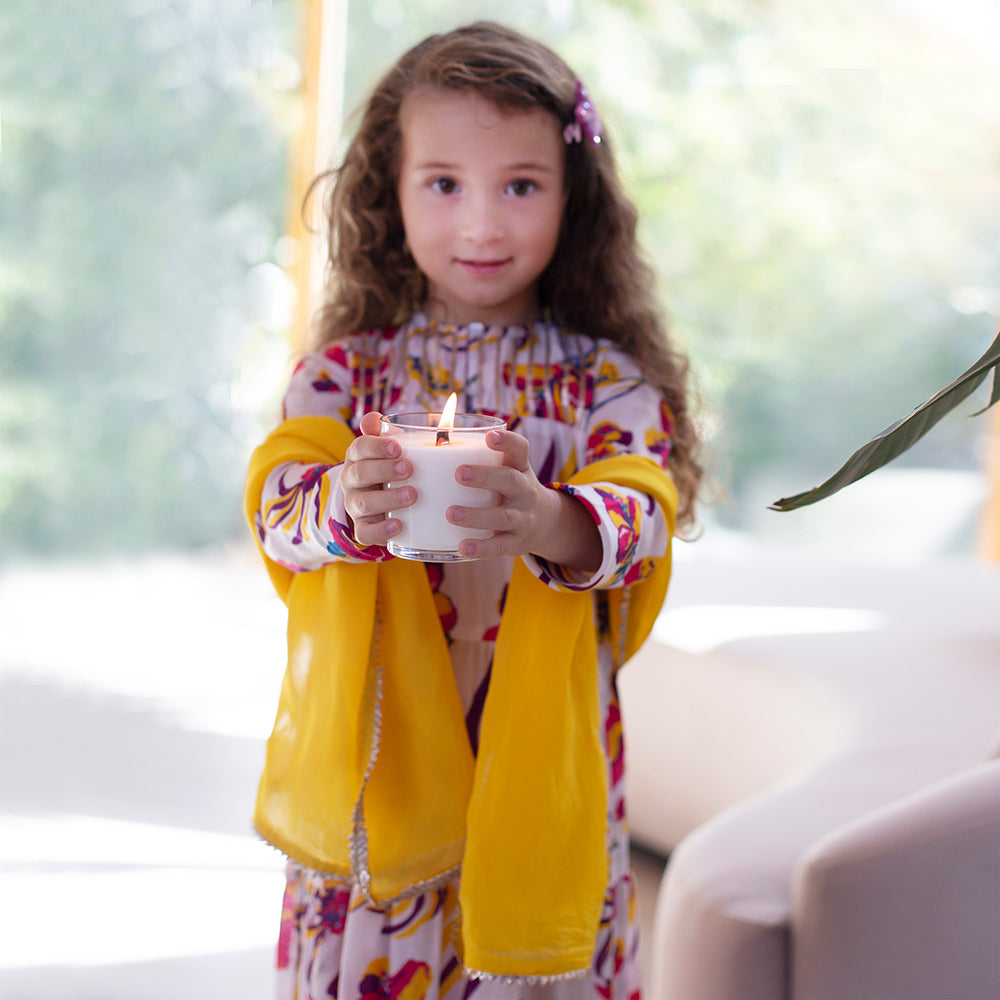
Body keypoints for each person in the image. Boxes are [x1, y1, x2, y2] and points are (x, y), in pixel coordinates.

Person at [244, 20, 702, 1000]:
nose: (483, 225)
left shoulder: (605, 387)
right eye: (444, 183)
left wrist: (548, 521)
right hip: (382, 757)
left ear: (573, 199)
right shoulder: (344, 374)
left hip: (538, 761)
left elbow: (643, 517)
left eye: (521, 185)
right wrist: (341, 505)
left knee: (527, 958)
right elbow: (279, 514)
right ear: (390, 191)